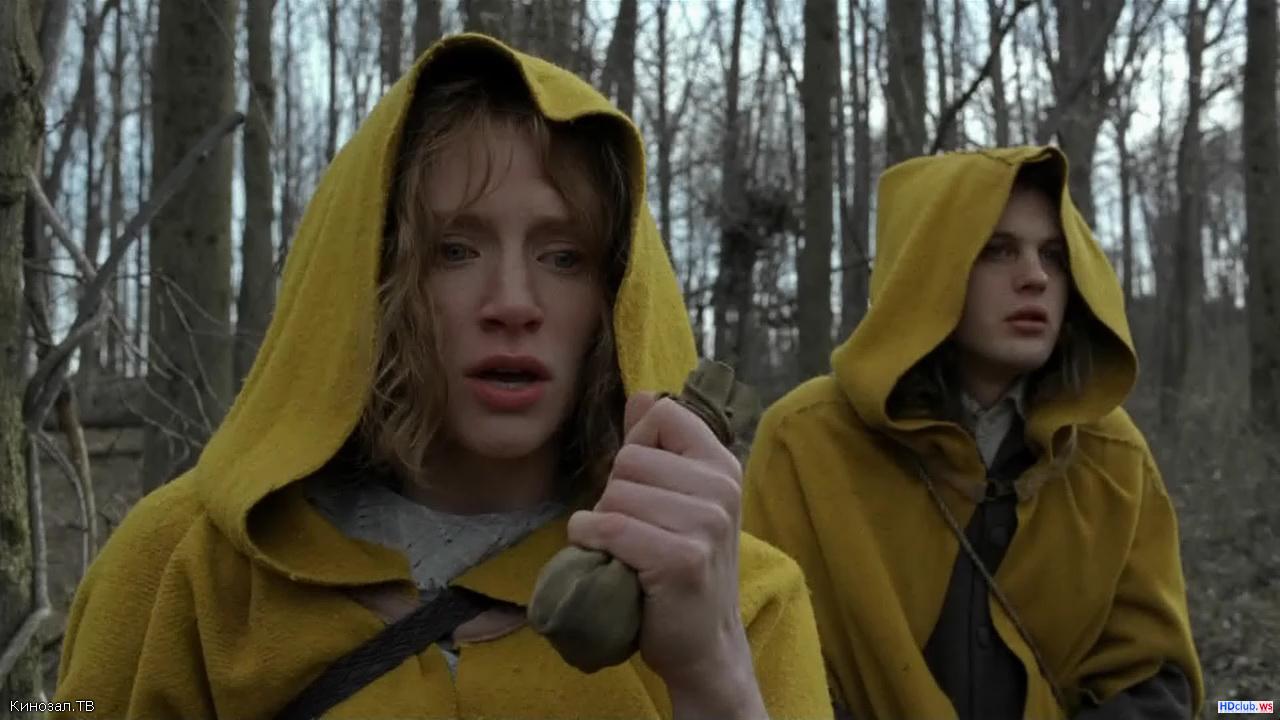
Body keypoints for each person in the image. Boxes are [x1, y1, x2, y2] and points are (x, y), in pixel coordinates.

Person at [53, 34, 830, 720]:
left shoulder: (739, 598)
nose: (513, 304)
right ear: (373, 280)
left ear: (616, 297)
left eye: (563, 257)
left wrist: (713, 677)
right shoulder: (183, 568)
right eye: (454, 250)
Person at [742, 147, 1203, 719]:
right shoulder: (806, 442)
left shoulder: (1111, 455)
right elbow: (766, 664)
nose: (1035, 277)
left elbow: (1153, 681)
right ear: (925, 269)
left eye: (1054, 256)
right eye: (997, 250)